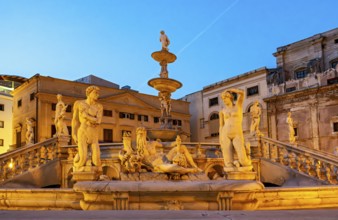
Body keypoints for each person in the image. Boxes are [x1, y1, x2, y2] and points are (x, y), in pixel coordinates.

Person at [219, 88, 252, 171]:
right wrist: (220, 139)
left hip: (237, 133)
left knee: (243, 161)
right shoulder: (222, 111)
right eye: (223, 99)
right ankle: (233, 174)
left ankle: (246, 156)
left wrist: (230, 89)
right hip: (225, 134)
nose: (224, 100)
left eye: (225, 98)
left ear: (230, 97)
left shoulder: (238, 106)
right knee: (228, 164)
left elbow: (242, 93)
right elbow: (221, 126)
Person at [72, 86, 103, 172]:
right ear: (88, 93)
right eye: (95, 93)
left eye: (98, 93)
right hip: (83, 130)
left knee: (97, 160)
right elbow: (75, 120)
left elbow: (98, 121)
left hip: (94, 132)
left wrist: (86, 116)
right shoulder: (79, 103)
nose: (97, 95)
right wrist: (73, 133)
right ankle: (78, 168)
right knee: (82, 158)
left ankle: (96, 176)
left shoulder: (99, 106)